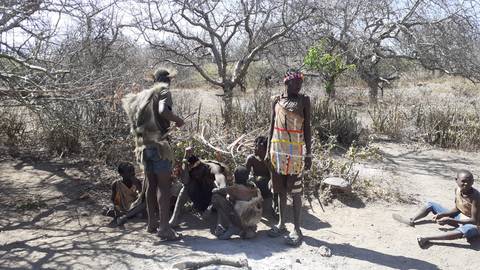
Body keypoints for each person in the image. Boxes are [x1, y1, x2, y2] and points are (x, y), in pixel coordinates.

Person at [122, 68, 184, 241]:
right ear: (168, 80)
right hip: (159, 146)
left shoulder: (143, 96)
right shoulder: (164, 91)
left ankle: (152, 224)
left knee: (150, 184)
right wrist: (178, 120)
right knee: (163, 186)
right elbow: (164, 111)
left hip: (143, 147)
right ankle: (164, 228)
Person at [266, 69, 312, 246]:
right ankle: (281, 223)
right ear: (286, 83)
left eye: (300, 83)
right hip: (277, 151)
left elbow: (307, 128)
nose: (299, 86)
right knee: (280, 189)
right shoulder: (277, 100)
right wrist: (267, 151)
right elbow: (271, 126)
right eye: (295, 83)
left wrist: (308, 153)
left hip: (296, 153)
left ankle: (297, 229)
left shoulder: (304, 101)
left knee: (296, 190)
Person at [393, 169, 480, 248]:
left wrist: (451, 220)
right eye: (463, 181)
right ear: (456, 180)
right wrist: (442, 214)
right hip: (461, 216)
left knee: (466, 230)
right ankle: (411, 220)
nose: (466, 184)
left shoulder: (476, 197)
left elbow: (474, 220)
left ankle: (427, 238)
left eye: (469, 181)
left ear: (473, 182)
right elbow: (458, 209)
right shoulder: (457, 190)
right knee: (430, 204)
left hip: (475, 224)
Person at [169, 147, 230, 227]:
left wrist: (211, 205)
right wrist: (185, 157)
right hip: (200, 200)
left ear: (202, 166)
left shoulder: (212, 168)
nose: (196, 174)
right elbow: (185, 181)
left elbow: (222, 184)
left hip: (212, 201)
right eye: (193, 171)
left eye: (198, 170)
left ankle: (220, 221)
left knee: (217, 189)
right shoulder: (191, 172)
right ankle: (174, 219)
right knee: (186, 187)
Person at [211, 165, 263, 240]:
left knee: (217, 197)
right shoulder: (254, 187)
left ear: (235, 176)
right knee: (241, 203)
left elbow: (217, 191)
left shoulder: (235, 188)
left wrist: (216, 186)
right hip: (255, 218)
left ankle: (234, 226)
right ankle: (248, 229)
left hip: (241, 219)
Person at [246, 136, 277, 216]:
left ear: (265, 149)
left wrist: (272, 183)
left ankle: (276, 206)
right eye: (255, 146)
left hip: (267, 186)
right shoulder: (251, 158)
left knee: (276, 182)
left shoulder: (269, 159)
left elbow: (272, 174)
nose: (254, 148)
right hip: (256, 185)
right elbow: (246, 174)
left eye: (257, 146)